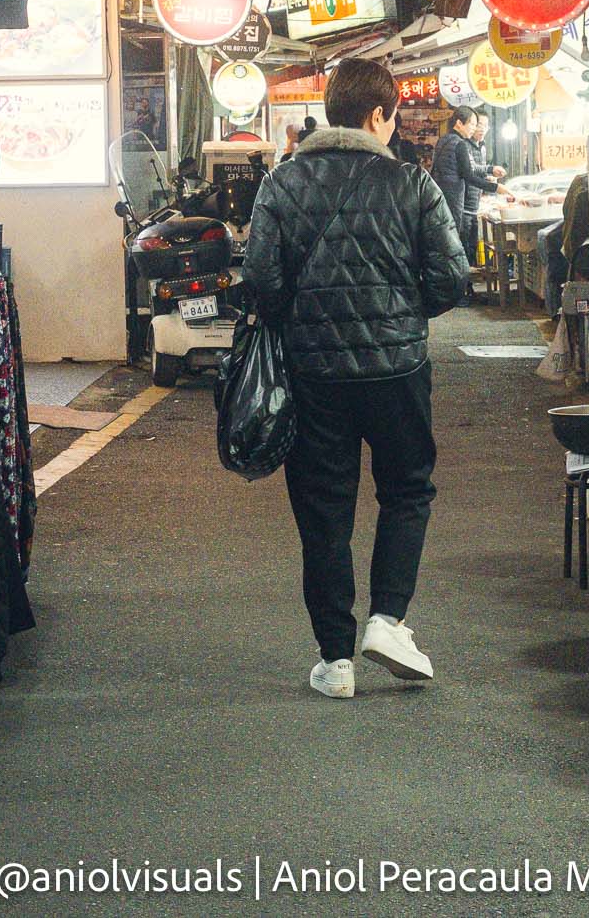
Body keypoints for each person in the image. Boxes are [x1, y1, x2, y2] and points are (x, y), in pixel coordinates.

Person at [243, 59, 469, 699]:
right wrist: (399, 314)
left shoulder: (281, 184)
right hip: (398, 371)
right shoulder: (412, 184)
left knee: (324, 509)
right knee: (406, 491)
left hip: (314, 375)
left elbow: (262, 280)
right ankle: (388, 620)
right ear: (379, 116)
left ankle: (335, 660)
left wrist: (306, 317)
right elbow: (452, 280)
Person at [432, 106, 504, 277]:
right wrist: (496, 187)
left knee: (447, 243)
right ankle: (461, 292)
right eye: (471, 123)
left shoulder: (443, 140)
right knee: (456, 245)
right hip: (454, 199)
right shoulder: (460, 144)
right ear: (459, 123)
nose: (474, 127)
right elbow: (469, 175)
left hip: (441, 197)